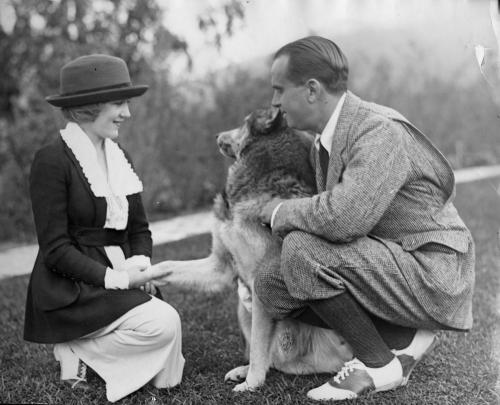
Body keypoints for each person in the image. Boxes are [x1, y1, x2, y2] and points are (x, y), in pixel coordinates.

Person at [256, 36, 475, 401]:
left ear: (312, 90)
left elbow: (344, 220)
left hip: (432, 271)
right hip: (392, 259)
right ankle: (399, 338)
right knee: (270, 282)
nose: (274, 102)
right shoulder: (324, 140)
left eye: (279, 90)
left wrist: (279, 211)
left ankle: (378, 363)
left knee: (302, 251)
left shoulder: (376, 130)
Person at [23, 54, 184, 402]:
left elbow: (139, 227)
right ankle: (74, 346)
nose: (127, 113)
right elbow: (55, 249)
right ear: (89, 106)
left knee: (166, 373)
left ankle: (79, 348)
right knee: (164, 323)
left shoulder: (117, 154)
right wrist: (118, 279)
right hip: (73, 287)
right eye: (120, 103)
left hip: (119, 273)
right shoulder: (51, 160)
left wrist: (138, 264)